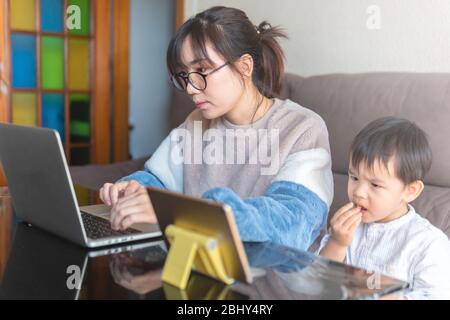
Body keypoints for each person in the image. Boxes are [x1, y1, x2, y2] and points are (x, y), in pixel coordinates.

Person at [100, 6, 333, 251]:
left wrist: (185, 213)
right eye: (184, 74)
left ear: (244, 66)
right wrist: (133, 190)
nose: (190, 88)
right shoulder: (196, 122)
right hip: (205, 269)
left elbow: (291, 225)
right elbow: (159, 179)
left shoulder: (302, 128)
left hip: (276, 280)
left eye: (201, 70)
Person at [319, 117, 450, 299]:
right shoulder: (346, 228)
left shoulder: (428, 244)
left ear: (410, 191)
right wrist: (337, 243)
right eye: (354, 177)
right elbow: (320, 284)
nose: (359, 193)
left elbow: (437, 294)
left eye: (375, 185)